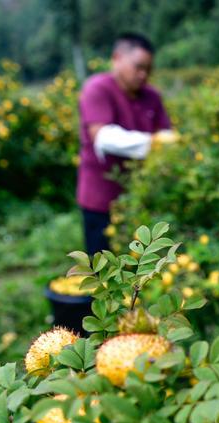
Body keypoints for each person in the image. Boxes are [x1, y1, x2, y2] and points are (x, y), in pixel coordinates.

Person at [77, 32, 176, 256]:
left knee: (142, 268)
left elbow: (167, 134)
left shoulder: (151, 96)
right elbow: (102, 136)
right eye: (138, 67)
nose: (143, 75)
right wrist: (154, 143)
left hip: (141, 200)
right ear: (117, 58)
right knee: (104, 273)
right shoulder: (97, 88)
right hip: (101, 202)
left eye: (148, 69)